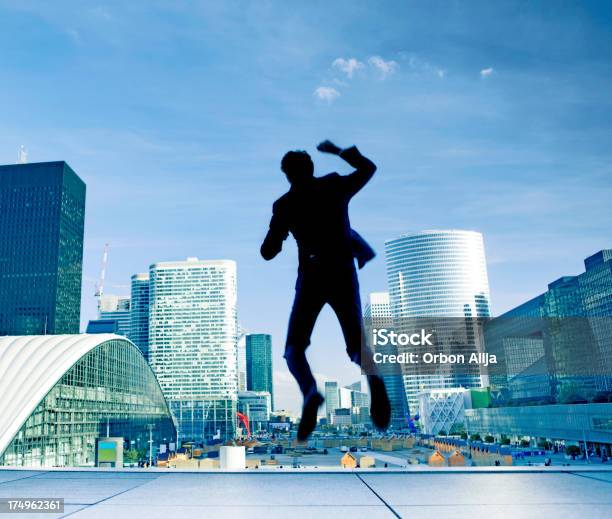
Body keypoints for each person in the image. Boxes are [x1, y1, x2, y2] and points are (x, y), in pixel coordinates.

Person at [261, 140, 391, 440]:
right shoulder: (333, 186)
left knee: (294, 348)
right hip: (343, 272)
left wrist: (277, 234)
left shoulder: (284, 205)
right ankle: (376, 381)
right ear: (311, 168)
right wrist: (338, 151)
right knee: (356, 345)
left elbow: (268, 252)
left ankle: (309, 393)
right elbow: (369, 168)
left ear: (287, 175)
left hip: (312, 277)